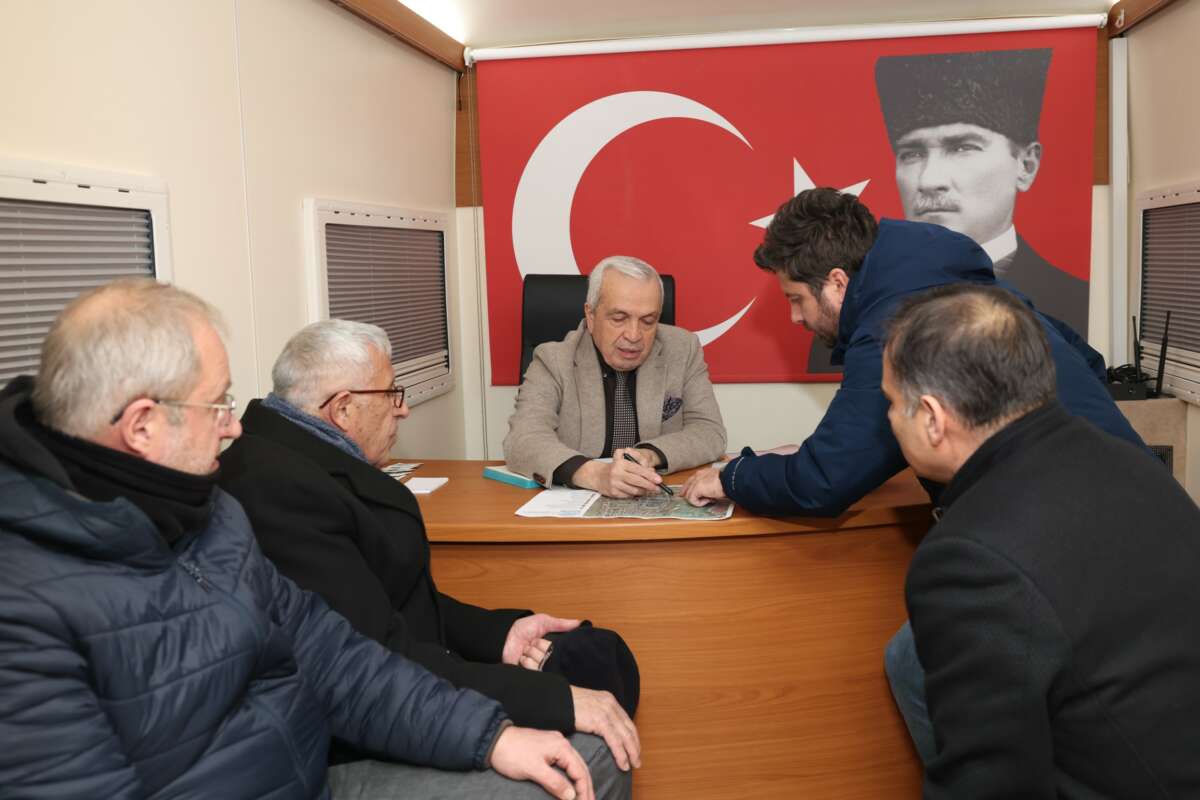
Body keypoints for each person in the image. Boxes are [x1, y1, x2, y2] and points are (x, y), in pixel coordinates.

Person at [0, 278, 600, 800]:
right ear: (142, 426)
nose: (234, 427)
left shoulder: (212, 513)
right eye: (217, 405)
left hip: (302, 770)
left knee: (580, 759)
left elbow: (337, 660)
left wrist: (488, 735)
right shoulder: (24, 608)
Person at [679, 188, 1146, 761]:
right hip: (1135, 506)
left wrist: (734, 477)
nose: (795, 317)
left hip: (1062, 544)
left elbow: (824, 482)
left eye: (796, 298)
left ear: (837, 283)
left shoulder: (896, 324)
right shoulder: (957, 281)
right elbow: (1088, 363)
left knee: (917, 664)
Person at [218, 319, 639, 790]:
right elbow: (375, 664)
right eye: (391, 395)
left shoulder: (302, 460)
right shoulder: (277, 494)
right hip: (355, 734)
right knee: (591, 747)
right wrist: (551, 701)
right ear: (343, 409)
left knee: (599, 656)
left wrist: (500, 635)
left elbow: (394, 600)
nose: (403, 410)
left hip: (410, 680)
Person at [880, 283, 1200, 796]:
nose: (889, 419)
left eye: (893, 404)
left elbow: (988, 782)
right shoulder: (1129, 463)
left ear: (934, 420)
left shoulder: (967, 558)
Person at [875, 47, 1090, 336]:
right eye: (912, 154)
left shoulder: (1072, 302)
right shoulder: (864, 308)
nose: (928, 180)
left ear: (1026, 165)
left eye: (962, 147)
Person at [504, 255, 726, 498]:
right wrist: (596, 475)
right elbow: (523, 439)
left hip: (653, 494)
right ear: (591, 316)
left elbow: (709, 432)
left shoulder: (683, 349)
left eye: (648, 321)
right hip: (578, 501)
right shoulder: (553, 360)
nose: (634, 335)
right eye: (619, 318)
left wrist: (650, 454)